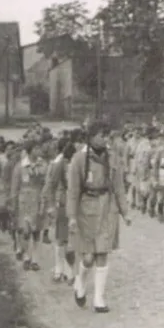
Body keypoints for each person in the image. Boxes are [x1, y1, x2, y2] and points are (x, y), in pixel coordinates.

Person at [66, 120, 132, 313]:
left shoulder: (112, 158)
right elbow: (73, 191)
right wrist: (71, 216)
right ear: (92, 136)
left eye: (106, 135)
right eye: (101, 135)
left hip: (107, 208)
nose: (104, 139)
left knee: (103, 252)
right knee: (87, 257)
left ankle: (99, 299)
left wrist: (125, 211)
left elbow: (119, 186)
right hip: (86, 208)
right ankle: (80, 283)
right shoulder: (79, 159)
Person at [11, 139, 49, 271]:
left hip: (38, 200)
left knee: (37, 231)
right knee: (25, 231)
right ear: (30, 150)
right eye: (36, 148)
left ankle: (35, 259)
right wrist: (13, 204)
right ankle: (26, 255)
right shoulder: (20, 166)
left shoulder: (43, 165)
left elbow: (47, 183)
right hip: (24, 202)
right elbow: (15, 187)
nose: (39, 151)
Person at [43, 137, 77, 283]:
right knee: (62, 238)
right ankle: (60, 269)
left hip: (76, 205)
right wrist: (50, 204)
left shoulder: (78, 163)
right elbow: (51, 184)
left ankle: (69, 271)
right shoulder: (59, 164)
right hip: (63, 204)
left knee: (73, 239)